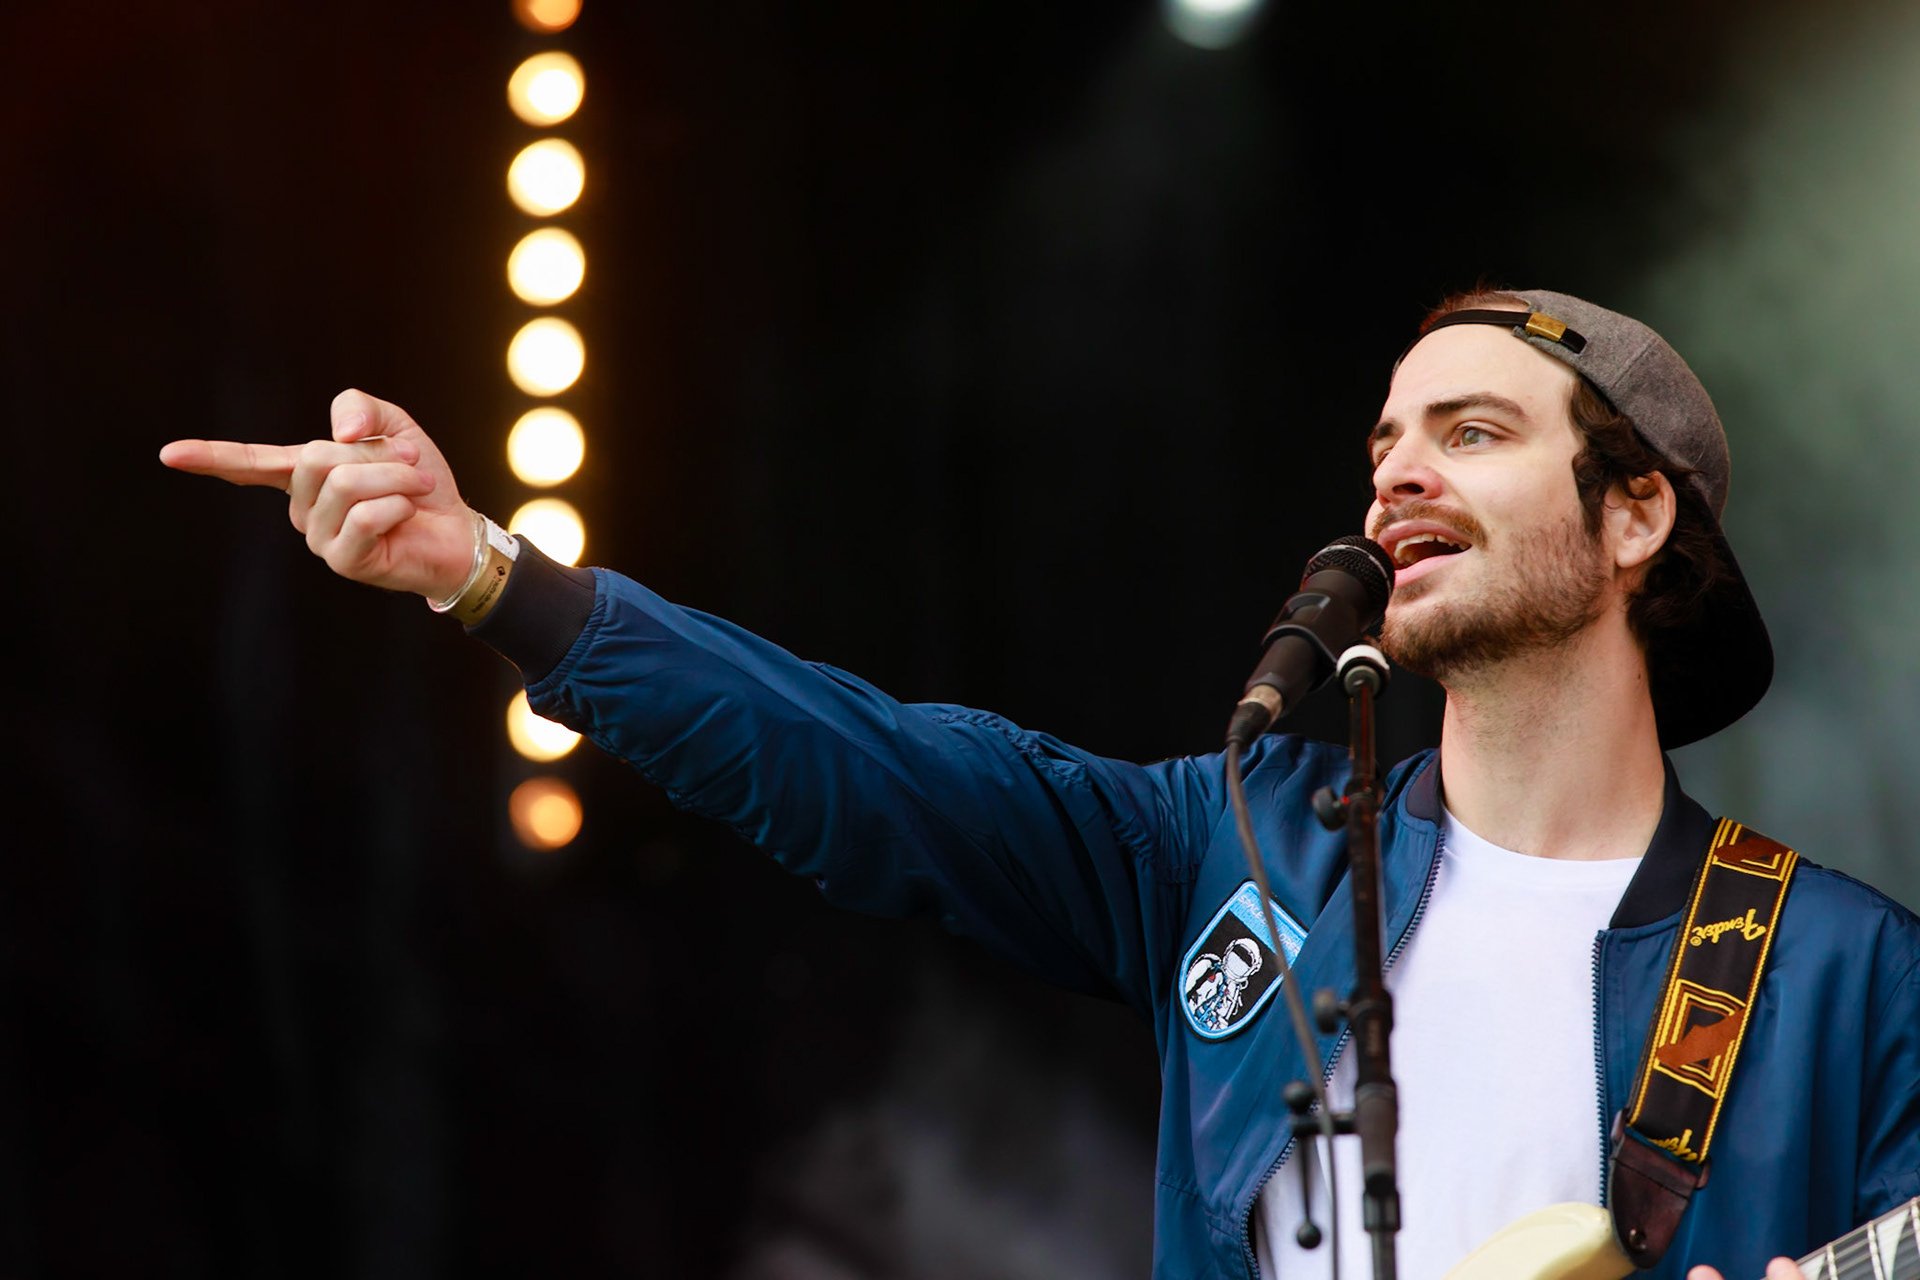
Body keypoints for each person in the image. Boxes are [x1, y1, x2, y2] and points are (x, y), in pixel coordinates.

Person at [161, 290, 1920, 1280]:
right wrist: (492, 574)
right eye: (1384, 440)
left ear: (1635, 514)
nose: (1394, 477)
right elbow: (865, 768)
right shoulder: (1237, 845)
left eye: (1471, 434)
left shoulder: (1841, 975)